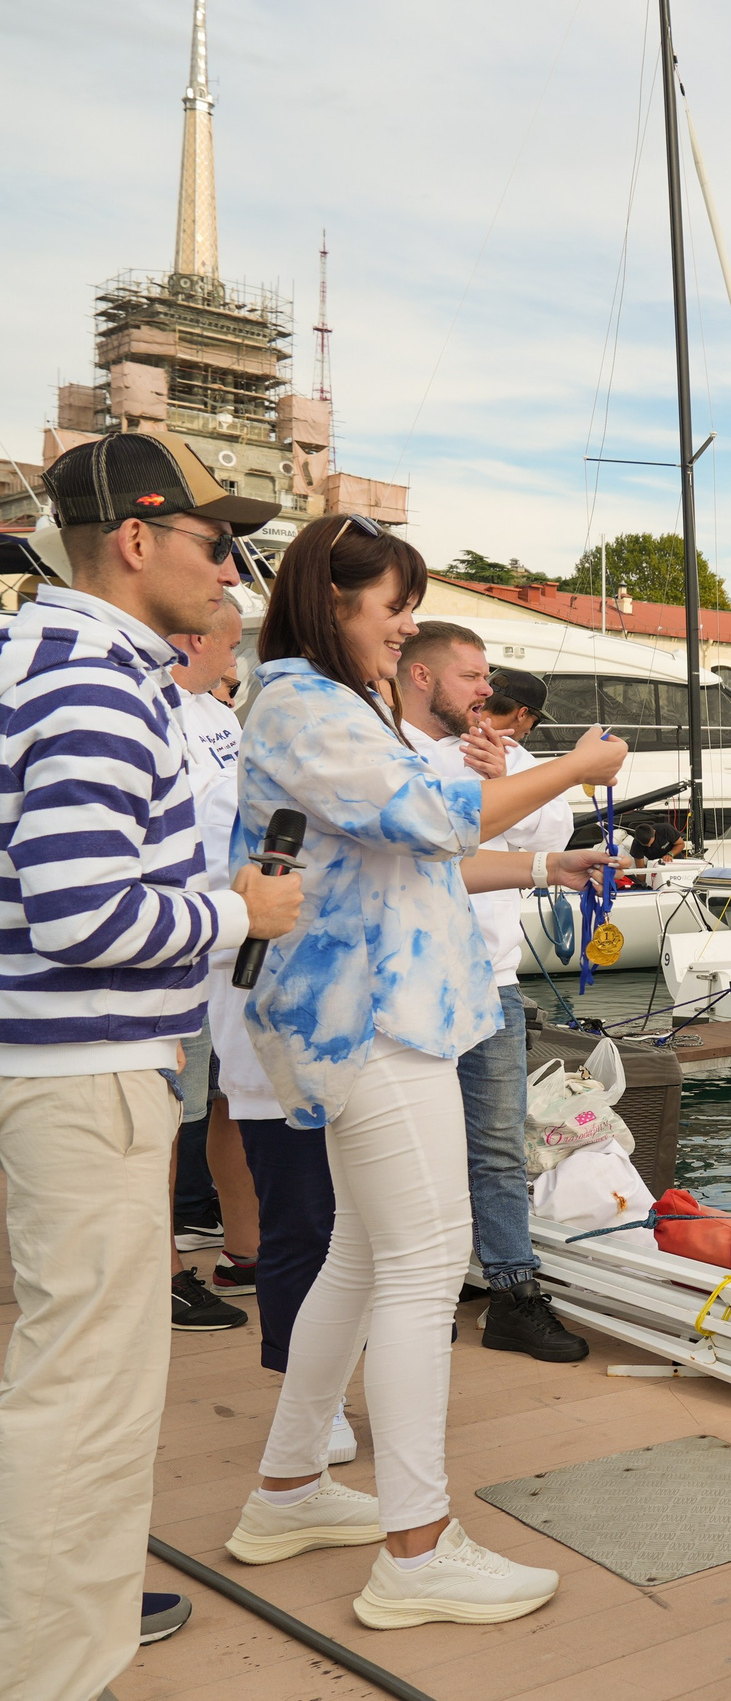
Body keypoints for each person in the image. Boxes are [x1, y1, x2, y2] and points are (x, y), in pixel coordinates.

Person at [218, 514, 628, 1631]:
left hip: (380, 1020)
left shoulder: (335, 706)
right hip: (371, 1027)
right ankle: (416, 1547)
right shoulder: (304, 705)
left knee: (364, 1251)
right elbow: (436, 816)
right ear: (333, 602)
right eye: (392, 608)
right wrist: (572, 770)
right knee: (421, 1265)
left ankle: (291, 1487)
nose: (404, 631)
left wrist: (549, 853)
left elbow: (418, 855)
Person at [0, 434, 303, 1701]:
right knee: (86, 1395)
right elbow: (81, 911)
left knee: (58, 1371)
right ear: (137, 539)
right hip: (85, 1079)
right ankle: (54, 1668)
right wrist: (240, 915)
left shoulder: (42, 662)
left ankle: (59, 1620)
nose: (227, 566)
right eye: (210, 540)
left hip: (50, 1068)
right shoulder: (97, 685)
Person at [393, 622, 589, 1360]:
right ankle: (426, 1293)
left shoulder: (502, 751)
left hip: (493, 978)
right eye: (474, 676)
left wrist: (503, 777)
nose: (488, 692)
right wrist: (490, 789)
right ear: (421, 675)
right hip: (411, 981)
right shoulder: (387, 748)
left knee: (499, 1143)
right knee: (417, 1147)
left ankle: (511, 1289)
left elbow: (553, 825)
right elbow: (438, 845)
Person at [167, 595, 260, 1331]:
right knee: (169, 1115)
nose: (235, 664)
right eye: (229, 647)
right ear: (194, 639)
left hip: (230, 941)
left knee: (225, 1099)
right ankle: (160, 1272)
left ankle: (244, 1249)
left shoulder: (221, 717)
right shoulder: (148, 710)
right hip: (174, 945)